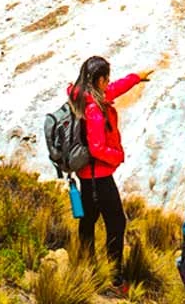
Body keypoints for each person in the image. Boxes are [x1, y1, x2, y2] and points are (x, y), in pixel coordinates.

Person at [66, 56, 151, 287]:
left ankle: (87, 266)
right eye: (106, 78)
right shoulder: (93, 109)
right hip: (99, 176)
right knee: (116, 223)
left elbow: (113, 90)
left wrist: (136, 78)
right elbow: (96, 148)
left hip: (87, 175)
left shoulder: (83, 96)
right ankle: (114, 276)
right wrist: (118, 156)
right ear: (99, 79)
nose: (109, 82)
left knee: (88, 220)